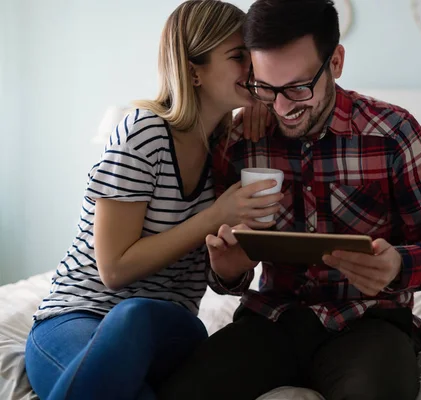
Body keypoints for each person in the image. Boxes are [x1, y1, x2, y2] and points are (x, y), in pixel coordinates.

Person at [157, 0, 421, 399]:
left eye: (297, 88)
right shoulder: (239, 140)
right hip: (270, 321)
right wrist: (227, 269)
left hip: (370, 322)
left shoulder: (393, 134)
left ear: (336, 62)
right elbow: (226, 274)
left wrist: (399, 265)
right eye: (266, 88)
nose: (282, 108)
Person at [24, 1, 276, 399]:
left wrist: (231, 263)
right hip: (77, 315)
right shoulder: (144, 133)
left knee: (138, 314)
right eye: (238, 56)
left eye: (254, 56)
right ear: (194, 70)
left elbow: (221, 278)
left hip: (170, 327)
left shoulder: (232, 151)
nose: (254, 67)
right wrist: (215, 215)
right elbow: (114, 268)